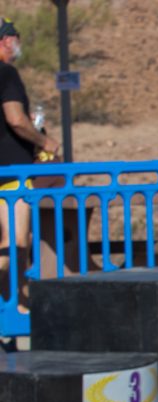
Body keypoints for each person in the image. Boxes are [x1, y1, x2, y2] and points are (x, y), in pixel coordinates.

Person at [0, 18, 60, 311]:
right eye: (16, 38)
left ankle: (17, 305)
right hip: (11, 171)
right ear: (6, 40)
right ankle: (17, 308)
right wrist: (44, 141)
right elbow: (15, 119)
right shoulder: (6, 73)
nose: (18, 45)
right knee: (16, 242)